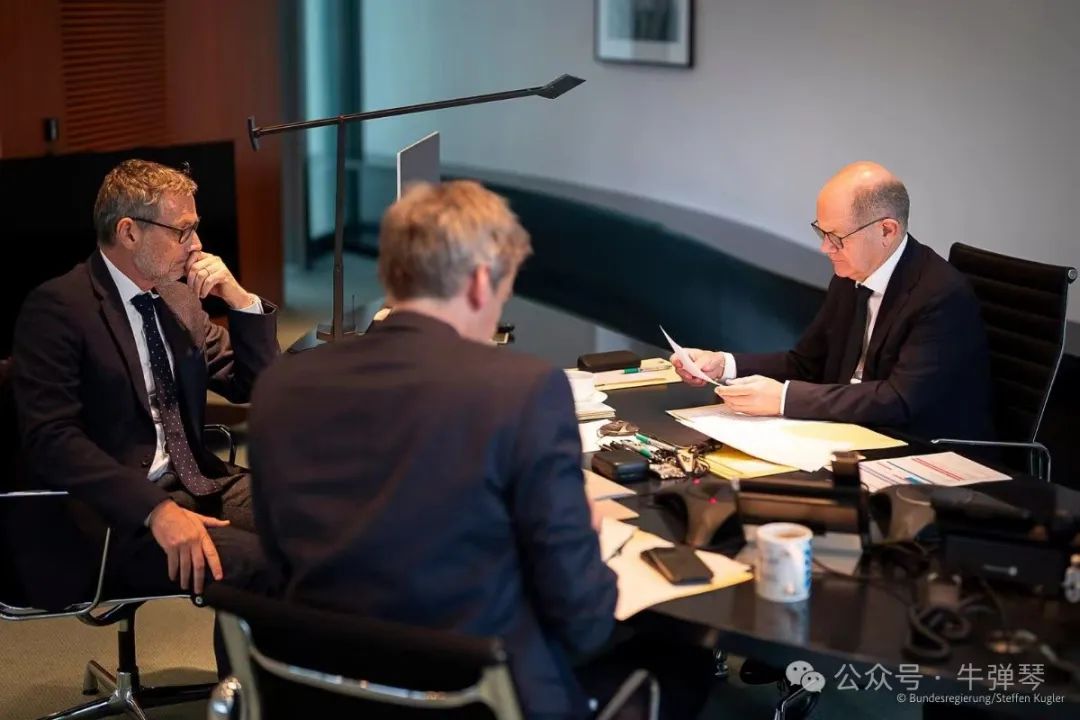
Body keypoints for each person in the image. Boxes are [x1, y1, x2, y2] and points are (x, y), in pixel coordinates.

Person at [250, 181, 713, 719]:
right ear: (477, 281)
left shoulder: (280, 385)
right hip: (476, 698)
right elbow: (583, 620)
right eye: (504, 289)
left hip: (321, 689)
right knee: (684, 662)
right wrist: (583, 533)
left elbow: (281, 562)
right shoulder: (523, 390)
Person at [12, 159, 278, 608]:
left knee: (323, 526)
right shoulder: (58, 308)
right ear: (129, 232)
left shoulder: (179, 298)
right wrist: (154, 509)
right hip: (113, 516)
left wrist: (241, 300)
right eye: (183, 231)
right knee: (262, 564)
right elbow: (52, 439)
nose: (197, 246)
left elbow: (257, 385)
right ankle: (246, 662)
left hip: (197, 482)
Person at [674, 161, 992, 441]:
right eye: (821, 232)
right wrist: (725, 365)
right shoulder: (849, 275)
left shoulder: (940, 295)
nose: (825, 249)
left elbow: (899, 399)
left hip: (920, 448)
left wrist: (784, 399)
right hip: (848, 431)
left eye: (837, 237)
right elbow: (806, 363)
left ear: (887, 230)